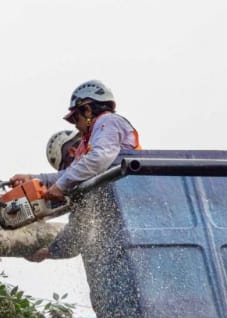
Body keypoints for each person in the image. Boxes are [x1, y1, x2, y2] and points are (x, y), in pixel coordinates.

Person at [11, 80, 140, 262]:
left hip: (131, 199)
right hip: (118, 220)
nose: (76, 126)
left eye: (75, 119)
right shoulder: (88, 148)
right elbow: (69, 175)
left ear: (87, 110)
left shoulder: (108, 122)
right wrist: (33, 179)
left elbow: (100, 159)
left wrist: (61, 186)